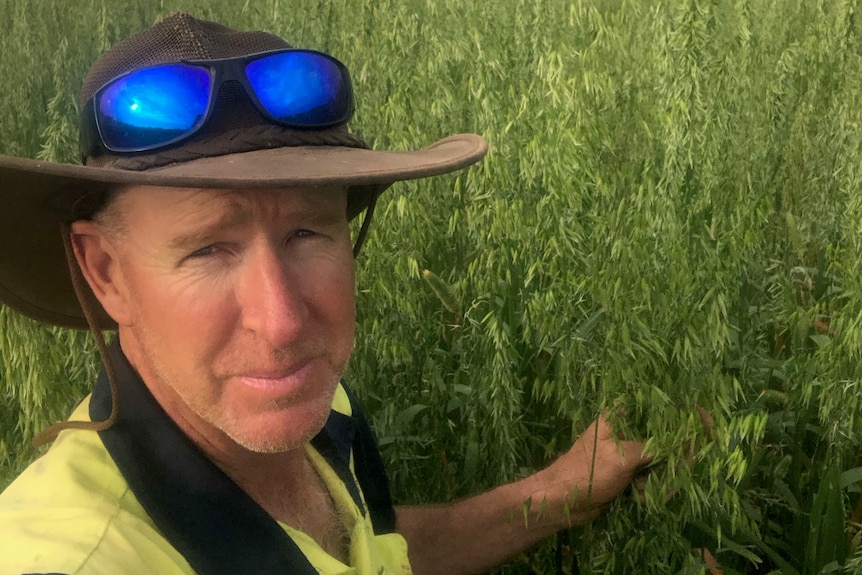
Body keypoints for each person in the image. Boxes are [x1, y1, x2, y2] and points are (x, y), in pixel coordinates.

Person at [0, 13, 655, 575]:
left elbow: (374, 552)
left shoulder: (320, 409)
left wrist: (561, 490)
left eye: (308, 231)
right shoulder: (70, 554)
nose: (282, 321)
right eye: (208, 249)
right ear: (106, 271)